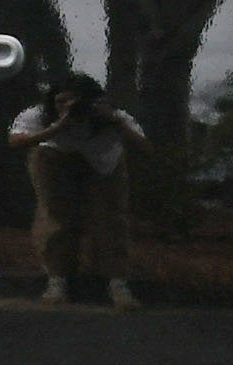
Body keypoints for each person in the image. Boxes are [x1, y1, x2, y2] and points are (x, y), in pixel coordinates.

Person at [9, 74, 146, 307]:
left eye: (75, 102)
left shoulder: (113, 116)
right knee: (56, 217)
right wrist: (55, 128)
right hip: (54, 157)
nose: (68, 107)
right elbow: (16, 141)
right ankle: (58, 280)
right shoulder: (39, 114)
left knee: (109, 219)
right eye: (61, 101)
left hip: (105, 162)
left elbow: (144, 147)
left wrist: (116, 122)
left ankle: (117, 282)